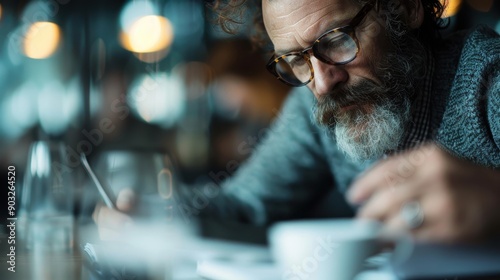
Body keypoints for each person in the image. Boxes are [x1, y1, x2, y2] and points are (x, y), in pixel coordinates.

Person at [95, 0, 500, 244]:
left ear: (407, 7)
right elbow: (239, 206)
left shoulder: (489, 79)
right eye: (296, 59)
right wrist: (152, 213)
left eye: (338, 40)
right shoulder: (315, 111)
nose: (321, 84)